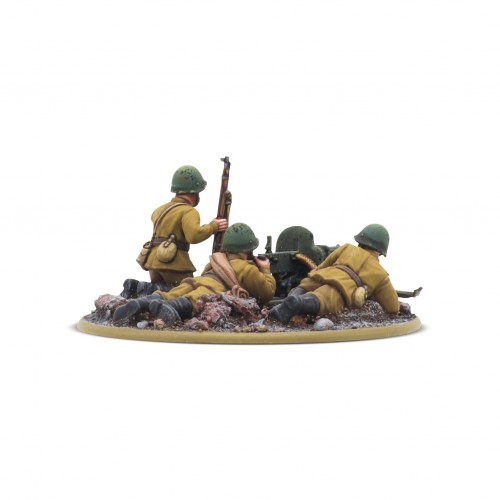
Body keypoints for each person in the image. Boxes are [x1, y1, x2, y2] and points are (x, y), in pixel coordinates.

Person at [113, 223, 276, 324]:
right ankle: (170, 308)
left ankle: (141, 303)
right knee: (192, 299)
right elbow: (266, 293)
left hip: (196, 280)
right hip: (213, 288)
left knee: (172, 293)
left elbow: (206, 270)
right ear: (247, 250)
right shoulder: (248, 268)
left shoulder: (217, 260)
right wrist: (265, 270)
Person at [123, 165, 228, 297]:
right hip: (174, 264)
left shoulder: (160, 209)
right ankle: (146, 289)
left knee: (162, 292)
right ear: (193, 193)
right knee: (188, 289)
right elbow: (194, 236)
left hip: (153, 261)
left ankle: (141, 287)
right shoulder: (188, 211)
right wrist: (214, 226)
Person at [268, 224, 401, 323]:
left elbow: (327, 262)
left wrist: (316, 272)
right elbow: (393, 307)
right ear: (381, 251)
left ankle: (287, 302)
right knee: (322, 299)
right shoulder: (380, 274)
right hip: (340, 286)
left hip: (322, 275)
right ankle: (298, 303)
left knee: (303, 287)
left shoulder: (347, 247)